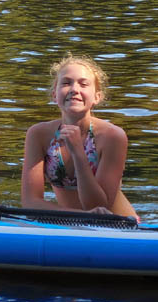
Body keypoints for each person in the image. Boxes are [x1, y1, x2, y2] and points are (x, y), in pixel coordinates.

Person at [21, 54, 138, 221]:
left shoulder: (112, 136)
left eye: (83, 84)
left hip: (117, 224)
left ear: (97, 97)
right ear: (55, 94)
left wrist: (78, 154)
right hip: (70, 222)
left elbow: (97, 208)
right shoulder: (38, 134)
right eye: (66, 83)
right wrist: (80, 217)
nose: (74, 89)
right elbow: (30, 203)